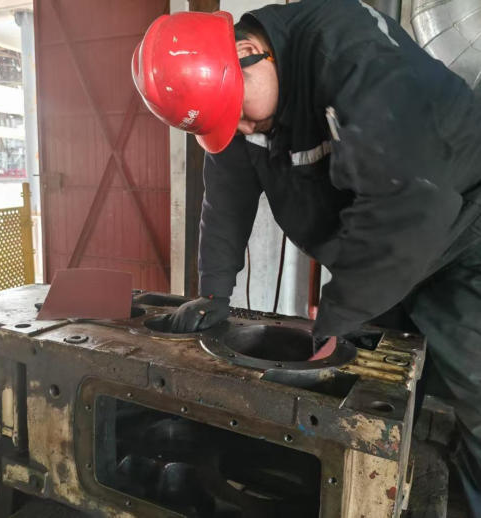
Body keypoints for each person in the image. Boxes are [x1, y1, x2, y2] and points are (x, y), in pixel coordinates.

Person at [132, 1, 481, 514]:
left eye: (241, 114)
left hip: (463, 237)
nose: (244, 128)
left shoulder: (349, 53)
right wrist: (214, 292)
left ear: (248, 52)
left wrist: (339, 314)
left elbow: (411, 204)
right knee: (378, 398)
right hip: (377, 257)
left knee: (476, 398)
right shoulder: (236, 103)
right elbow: (225, 201)